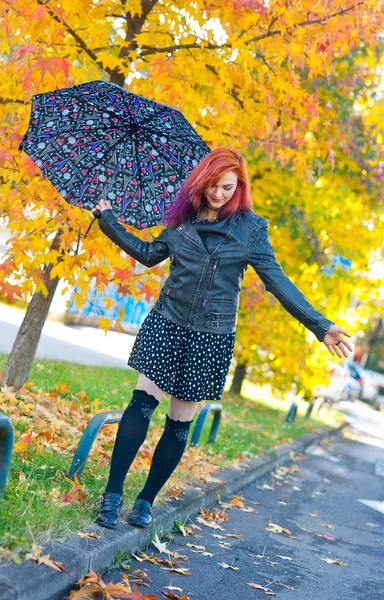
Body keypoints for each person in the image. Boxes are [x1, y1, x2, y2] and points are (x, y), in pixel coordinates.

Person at [91, 147, 353, 529]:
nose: (219, 194)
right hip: (168, 321)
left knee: (179, 423)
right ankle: (112, 496)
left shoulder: (250, 229)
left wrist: (320, 325)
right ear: (202, 182)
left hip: (210, 336)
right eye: (213, 185)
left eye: (228, 187)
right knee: (141, 405)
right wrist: (108, 221)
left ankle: (145, 500)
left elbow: (278, 282)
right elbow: (149, 254)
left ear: (239, 187)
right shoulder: (182, 221)